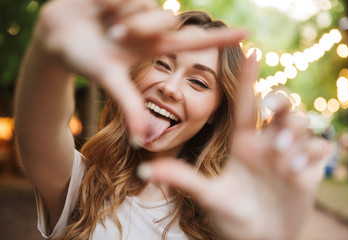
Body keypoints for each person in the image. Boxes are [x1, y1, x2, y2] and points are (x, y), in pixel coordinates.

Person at [14, 0, 326, 239]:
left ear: (215, 114)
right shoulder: (81, 184)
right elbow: (39, 130)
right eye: (162, 64)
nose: (170, 87)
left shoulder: (226, 215)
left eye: (199, 82)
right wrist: (48, 50)